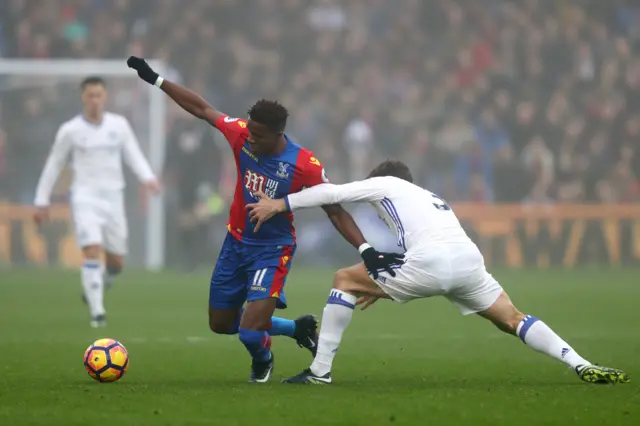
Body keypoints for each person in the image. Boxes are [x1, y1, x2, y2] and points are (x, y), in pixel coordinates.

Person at [126, 57, 403, 383]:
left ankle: (263, 360)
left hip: (273, 249)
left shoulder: (304, 165)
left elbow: (335, 210)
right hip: (236, 242)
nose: (250, 138)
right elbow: (201, 108)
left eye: (258, 134)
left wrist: (365, 249)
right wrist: (156, 80)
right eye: (249, 130)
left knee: (249, 332)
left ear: (277, 134)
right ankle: (296, 328)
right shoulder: (242, 134)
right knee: (221, 324)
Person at [246, 160, 630, 385]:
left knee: (344, 279)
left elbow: (329, 194)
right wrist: (381, 283)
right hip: (468, 263)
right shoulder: (431, 197)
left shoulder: (386, 183)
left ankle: (320, 372)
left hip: (430, 264)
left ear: (383, 178)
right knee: (513, 318)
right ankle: (580, 362)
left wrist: (281, 203)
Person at [33, 76, 160, 328]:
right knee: (91, 249)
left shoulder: (119, 125)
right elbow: (54, 163)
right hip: (84, 197)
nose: (94, 100)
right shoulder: (70, 130)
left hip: (113, 198)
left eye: (98, 95)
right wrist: (41, 200)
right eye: (90, 95)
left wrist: (148, 178)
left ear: (105, 97)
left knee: (116, 263)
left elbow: (133, 154)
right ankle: (97, 313)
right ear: (83, 97)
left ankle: (98, 286)